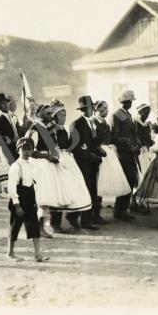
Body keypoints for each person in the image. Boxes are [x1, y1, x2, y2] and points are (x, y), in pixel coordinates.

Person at [48, 99, 95, 232]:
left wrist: (79, 146)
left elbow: (69, 146)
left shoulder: (63, 129)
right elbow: (50, 146)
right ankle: (54, 222)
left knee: (73, 188)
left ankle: (72, 216)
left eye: (65, 115)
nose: (64, 118)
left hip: (67, 160)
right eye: (61, 115)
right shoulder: (51, 130)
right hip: (56, 161)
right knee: (59, 191)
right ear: (55, 117)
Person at [7, 137, 48, 262]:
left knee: (34, 225)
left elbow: (34, 180)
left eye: (29, 149)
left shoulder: (32, 163)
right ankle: (10, 253)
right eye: (23, 149)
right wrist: (17, 204)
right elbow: (11, 186)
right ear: (18, 150)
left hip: (30, 196)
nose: (26, 152)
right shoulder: (16, 166)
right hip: (19, 197)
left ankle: (37, 253)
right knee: (15, 225)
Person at [25, 104, 63, 237]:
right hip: (38, 165)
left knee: (46, 198)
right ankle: (38, 228)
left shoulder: (48, 128)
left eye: (50, 113)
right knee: (40, 198)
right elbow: (30, 152)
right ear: (39, 115)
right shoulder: (35, 129)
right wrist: (47, 156)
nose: (50, 116)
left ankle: (43, 227)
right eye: (46, 114)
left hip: (48, 165)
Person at [68, 96, 106, 230]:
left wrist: (99, 150)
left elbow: (93, 142)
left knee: (92, 191)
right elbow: (74, 147)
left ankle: (85, 219)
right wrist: (89, 155)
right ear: (82, 110)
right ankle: (75, 217)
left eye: (90, 108)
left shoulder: (92, 124)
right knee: (85, 190)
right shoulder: (76, 124)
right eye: (85, 109)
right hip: (82, 164)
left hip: (93, 163)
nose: (89, 111)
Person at [92, 100, 131, 214]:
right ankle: (94, 214)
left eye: (107, 108)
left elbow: (111, 137)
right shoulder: (93, 122)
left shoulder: (105, 123)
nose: (106, 111)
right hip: (98, 152)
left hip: (107, 153)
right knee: (97, 182)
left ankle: (98, 213)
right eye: (103, 108)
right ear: (96, 109)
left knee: (104, 182)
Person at [110, 90, 140, 221]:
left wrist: (137, 144)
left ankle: (123, 209)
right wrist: (130, 145)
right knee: (127, 179)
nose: (129, 104)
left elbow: (133, 134)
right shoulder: (116, 115)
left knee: (132, 180)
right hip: (123, 153)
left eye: (130, 101)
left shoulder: (128, 115)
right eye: (127, 101)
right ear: (122, 102)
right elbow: (115, 136)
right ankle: (119, 210)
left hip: (131, 152)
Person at [134, 103, 154, 214]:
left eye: (148, 113)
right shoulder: (135, 123)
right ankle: (138, 202)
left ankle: (143, 202)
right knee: (139, 176)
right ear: (140, 112)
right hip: (138, 152)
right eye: (145, 112)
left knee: (146, 175)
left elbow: (148, 140)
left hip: (145, 151)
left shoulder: (146, 125)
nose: (147, 115)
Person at [0, 93, 20, 161]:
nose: (5, 105)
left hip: (17, 147)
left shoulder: (10, 116)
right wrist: (8, 140)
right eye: (2, 103)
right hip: (9, 150)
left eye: (6, 102)